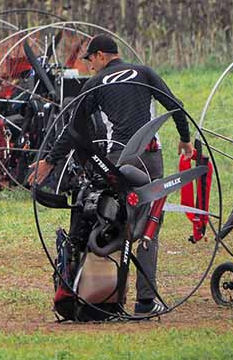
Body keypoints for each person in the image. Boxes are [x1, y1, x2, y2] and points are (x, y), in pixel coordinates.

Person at [27, 35, 193, 316]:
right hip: (151, 157)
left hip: (120, 161)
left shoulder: (95, 84)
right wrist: (186, 139)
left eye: (90, 59)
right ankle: (145, 300)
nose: (90, 65)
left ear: (102, 56)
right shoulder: (144, 72)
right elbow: (175, 105)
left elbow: (74, 130)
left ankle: (105, 295)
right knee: (150, 224)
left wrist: (50, 161)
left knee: (115, 223)